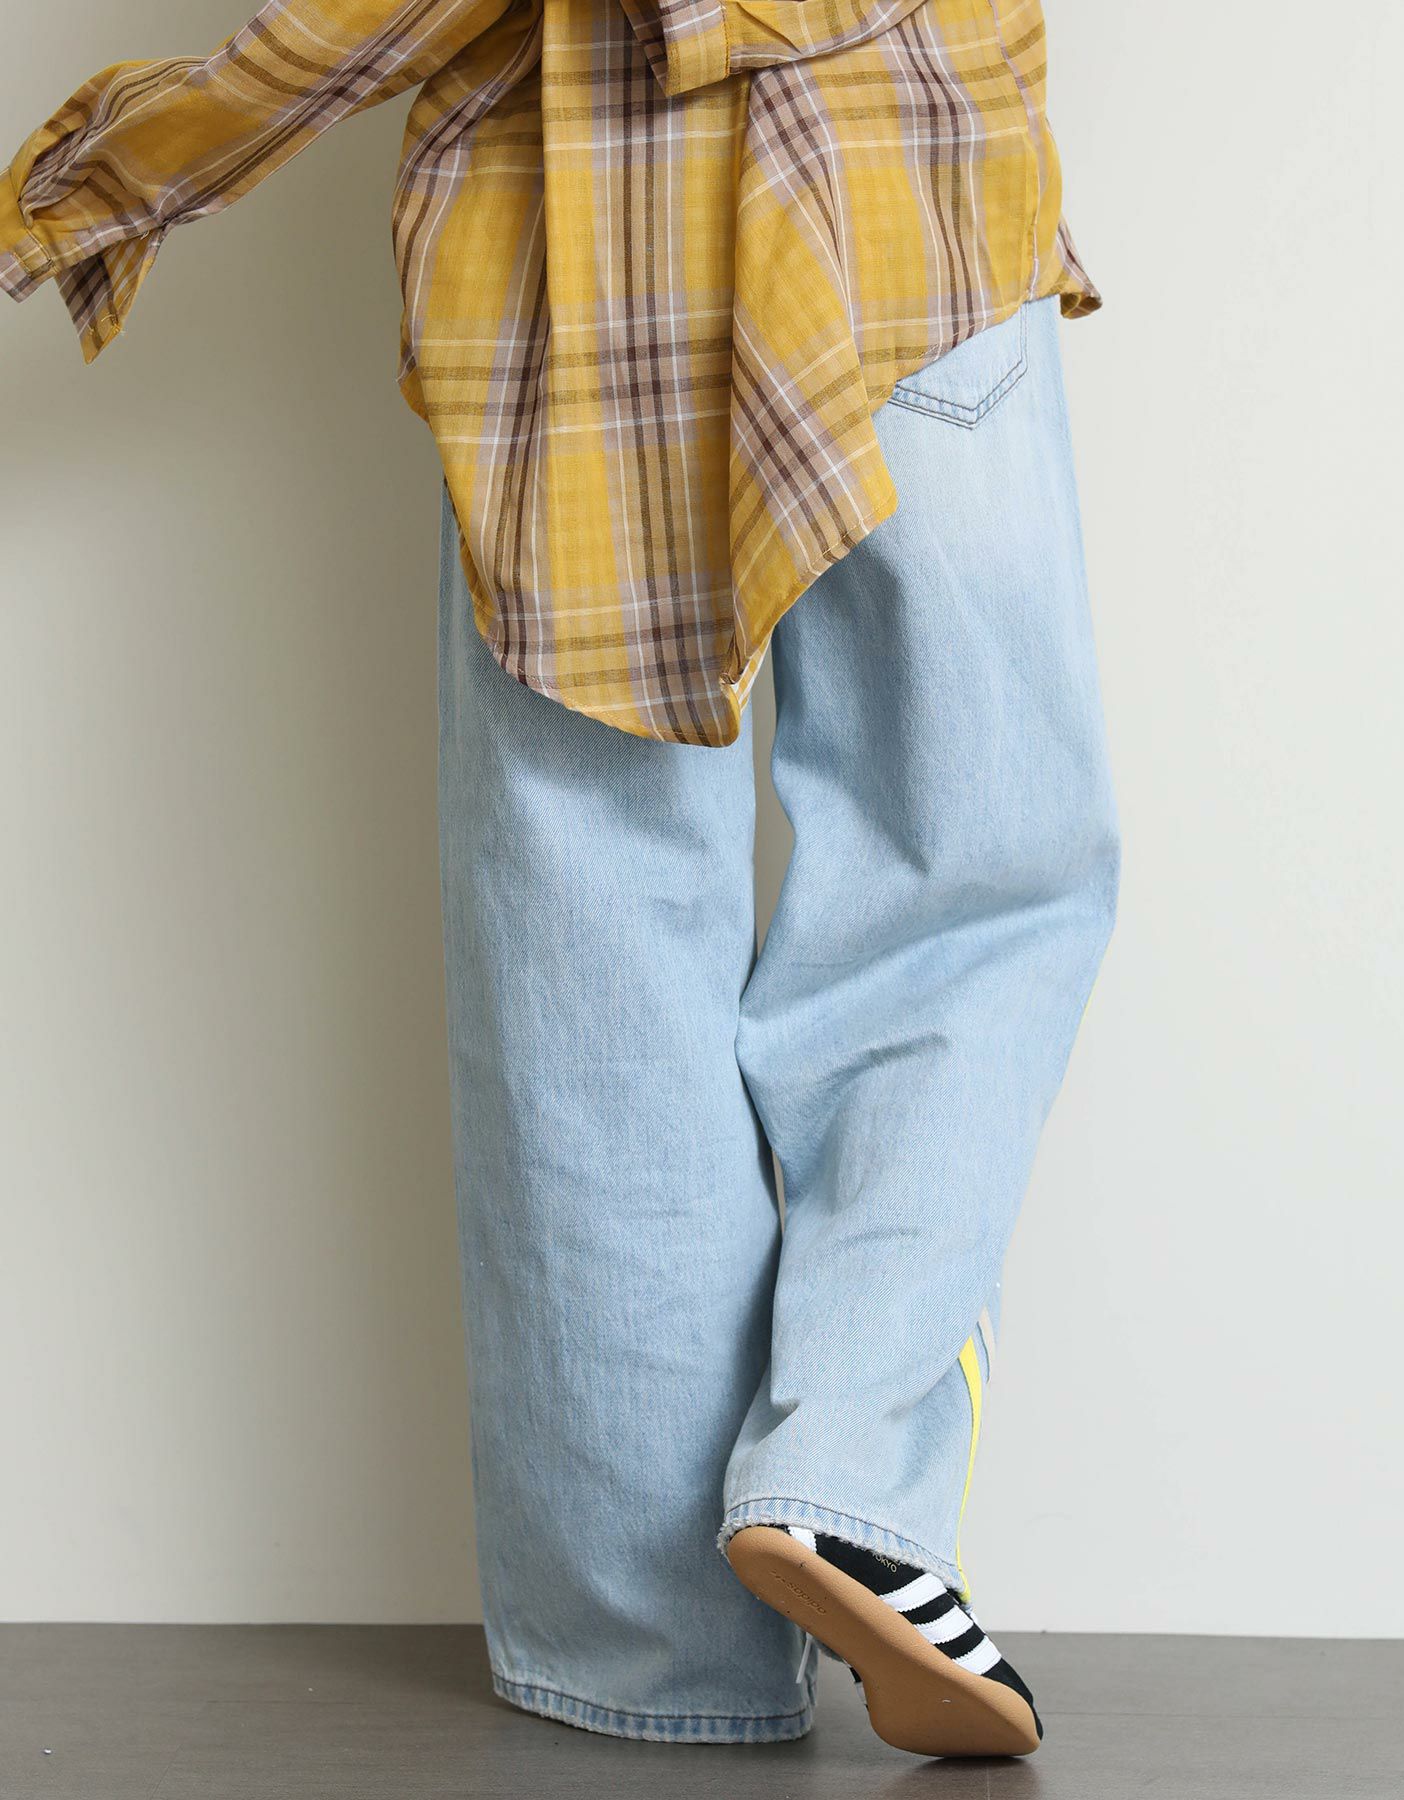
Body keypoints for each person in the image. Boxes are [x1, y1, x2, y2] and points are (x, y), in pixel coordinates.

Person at [2, 0, 1117, 1760]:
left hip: (578, 243)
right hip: (904, 177)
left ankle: (653, 1646)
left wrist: (124, 166)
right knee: (966, 874)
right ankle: (848, 1472)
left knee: (590, 935)